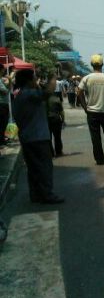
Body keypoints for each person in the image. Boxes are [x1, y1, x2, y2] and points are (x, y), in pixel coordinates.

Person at [13, 69, 64, 204]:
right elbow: (48, 92)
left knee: (34, 168)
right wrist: (53, 77)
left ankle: (36, 194)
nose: (36, 81)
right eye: (34, 78)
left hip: (28, 136)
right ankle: (47, 195)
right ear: (29, 80)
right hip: (37, 137)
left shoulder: (20, 94)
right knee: (44, 167)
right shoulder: (29, 94)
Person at [77, 54, 104, 167]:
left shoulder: (86, 78)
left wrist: (85, 107)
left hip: (92, 112)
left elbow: (79, 93)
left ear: (91, 65)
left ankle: (99, 160)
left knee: (95, 137)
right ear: (102, 64)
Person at [47, 76, 65, 157]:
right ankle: (58, 152)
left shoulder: (43, 99)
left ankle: (50, 152)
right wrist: (63, 120)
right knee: (57, 137)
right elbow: (62, 112)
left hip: (47, 120)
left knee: (48, 137)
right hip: (56, 119)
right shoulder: (57, 99)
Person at [0, 65, 10, 145]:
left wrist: (9, 82)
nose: (4, 71)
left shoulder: (1, 80)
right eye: (3, 70)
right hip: (1, 104)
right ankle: (1, 140)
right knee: (2, 122)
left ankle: (2, 138)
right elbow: (5, 92)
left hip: (4, 104)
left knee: (4, 122)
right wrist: (9, 82)